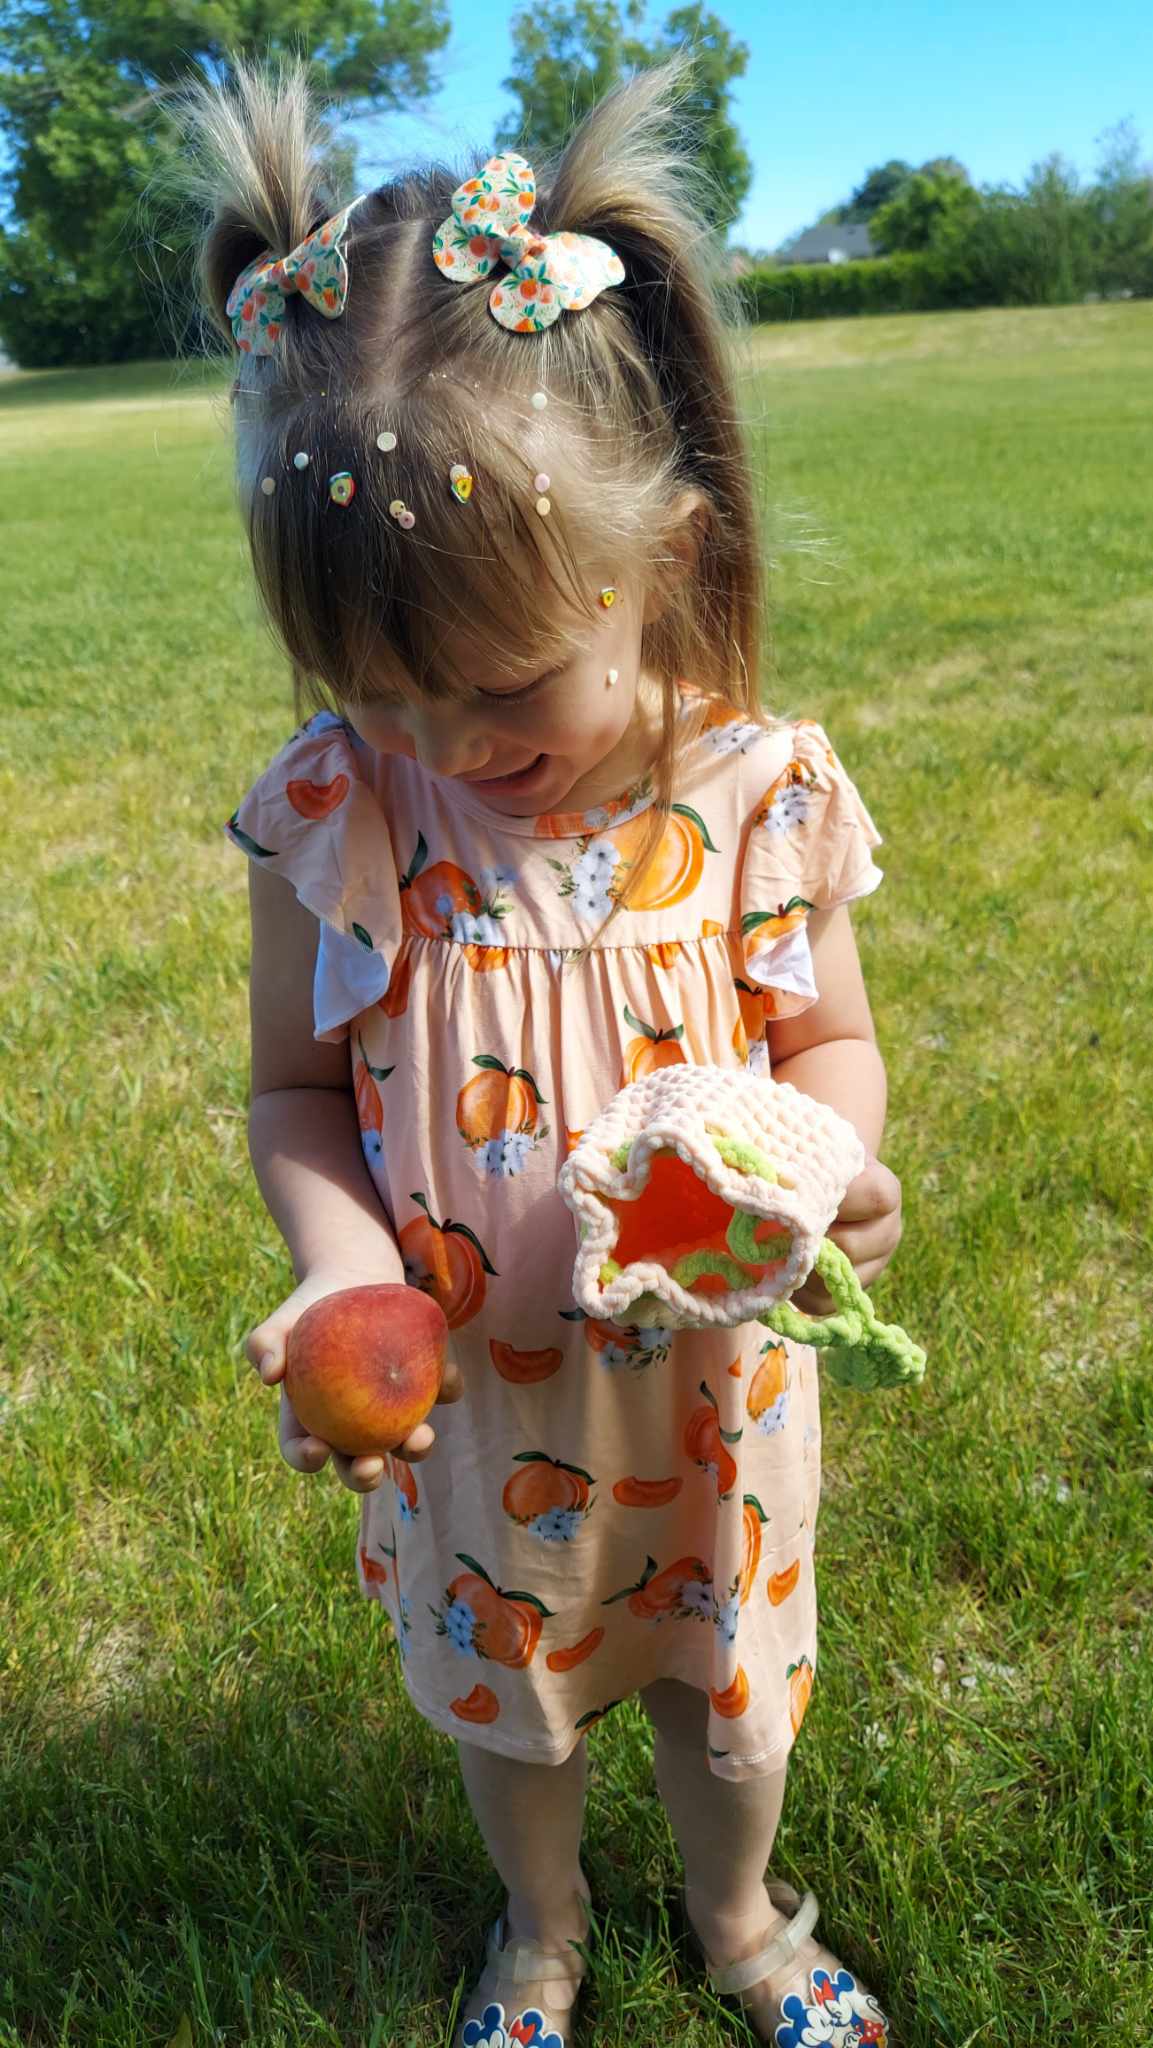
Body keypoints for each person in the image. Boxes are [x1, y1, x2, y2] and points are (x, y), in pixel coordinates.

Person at [169, 47, 905, 2048]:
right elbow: (296, 1091)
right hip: (482, 1422)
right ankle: (542, 1929)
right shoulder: (337, 812)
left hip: (710, 1409)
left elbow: (830, 1046)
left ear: (651, 548)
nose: (433, 743)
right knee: (514, 1707)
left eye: (494, 685)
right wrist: (340, 1263)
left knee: (723, 1698)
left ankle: (745, 1916)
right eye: (373, 689)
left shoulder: (759, 795)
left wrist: (820, 1162)